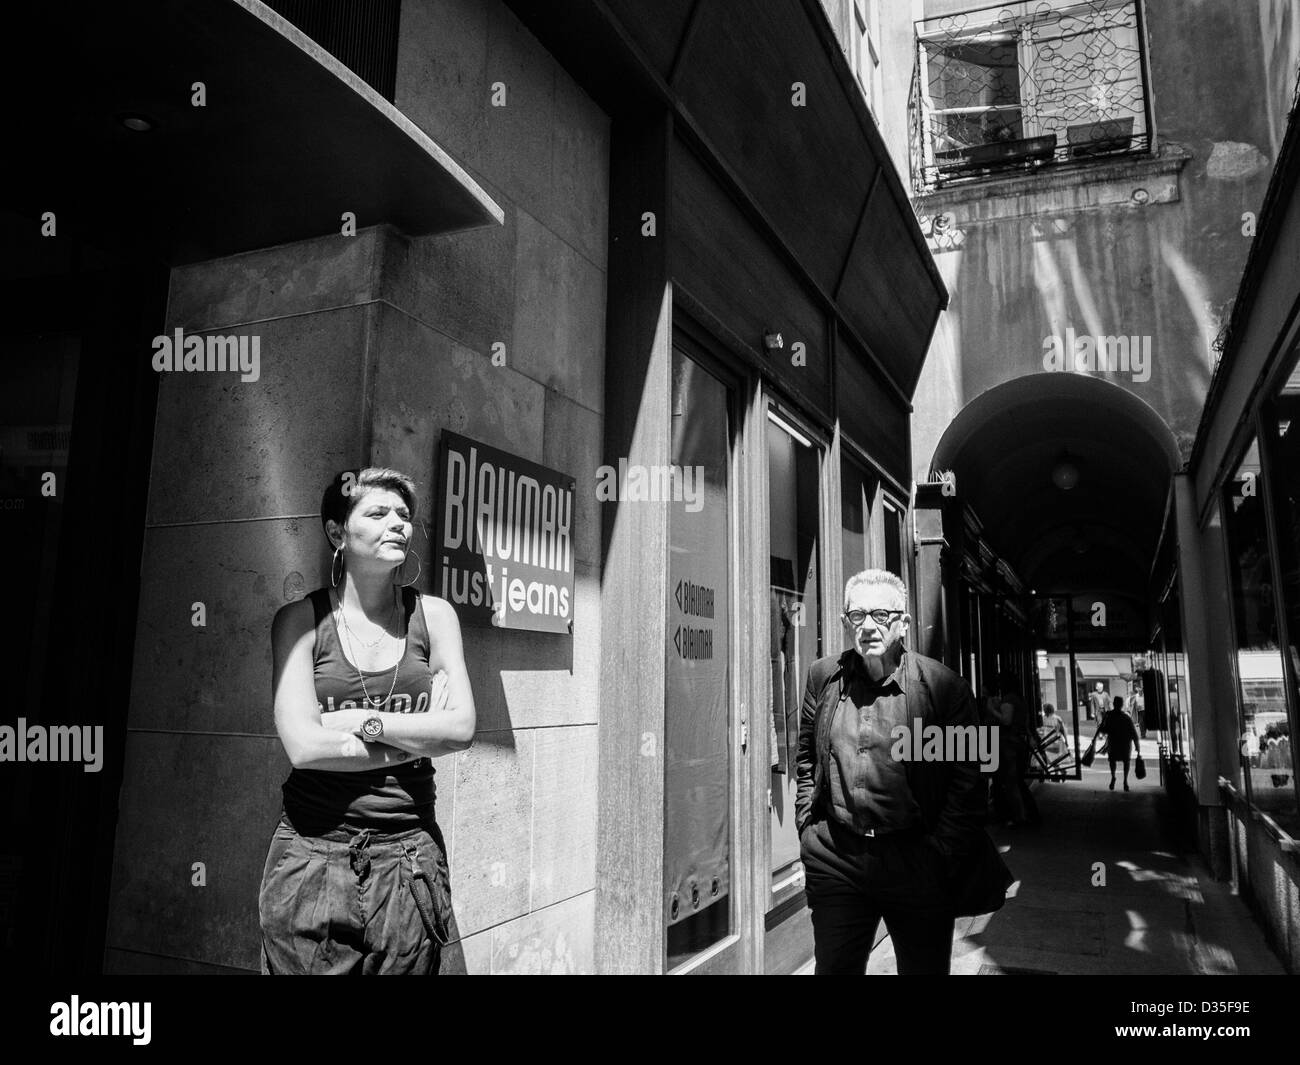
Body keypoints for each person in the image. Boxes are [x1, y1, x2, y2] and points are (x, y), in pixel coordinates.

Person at [258, 467, 477, 974]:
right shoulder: (300, 621)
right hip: (312, 855)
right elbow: (304, 747)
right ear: (338, 533)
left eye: (403, 515)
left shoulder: (435, 616)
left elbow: (462, 728)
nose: (397, 524)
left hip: (409, 857)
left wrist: (366, 721)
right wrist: (417, 739)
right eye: (377, 513)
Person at [796, 569, 1012, 975]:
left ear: (904, 623)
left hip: (916, 861)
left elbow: (970, 779)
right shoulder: (824, 677)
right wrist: (807, 828)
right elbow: (807, 757)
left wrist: (941, 852)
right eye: (857, 616)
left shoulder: (943, 687)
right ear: (845, 623)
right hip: (837, 858)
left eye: (881, 614)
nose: (869, 626)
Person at [1093, 695, 1140, 791]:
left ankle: (1113, 776)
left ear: (1114, 704)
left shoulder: (1109, 716)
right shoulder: (1126, 718)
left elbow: (1103, 729)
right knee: (1126, 761)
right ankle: (1125, 781)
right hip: (1125, 744)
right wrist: (1137, 746)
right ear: (1122, 705)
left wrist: (1096, 738)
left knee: (1112, 761)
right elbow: (1133, 733)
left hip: (1113, 742)